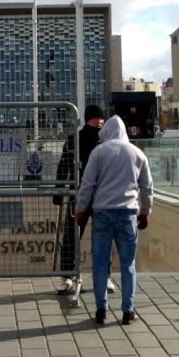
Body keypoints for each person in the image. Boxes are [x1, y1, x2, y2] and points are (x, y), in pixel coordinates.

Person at [74, 115, 153, 326]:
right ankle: (128, 310)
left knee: (100, 262)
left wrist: (81, 210)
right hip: (127, 213)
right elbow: (146, 188)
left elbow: (88, 184)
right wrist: (145, 212)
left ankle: (101, 309)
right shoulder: (137, 154)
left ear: (106, 133)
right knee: (128, 263)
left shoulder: (98, 152)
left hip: (102, 213)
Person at [55, 104, 114, 296]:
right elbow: (64, 164)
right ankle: (68, 277)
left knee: (103, 236)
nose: (100, 122)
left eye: (102, 119)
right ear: (89, 119)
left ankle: (103, 276)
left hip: (101, 195)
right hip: (79, 195)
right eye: (97, 118)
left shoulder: (106, 140)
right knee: (72, 236)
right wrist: (59, 190)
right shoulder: (76, 139)